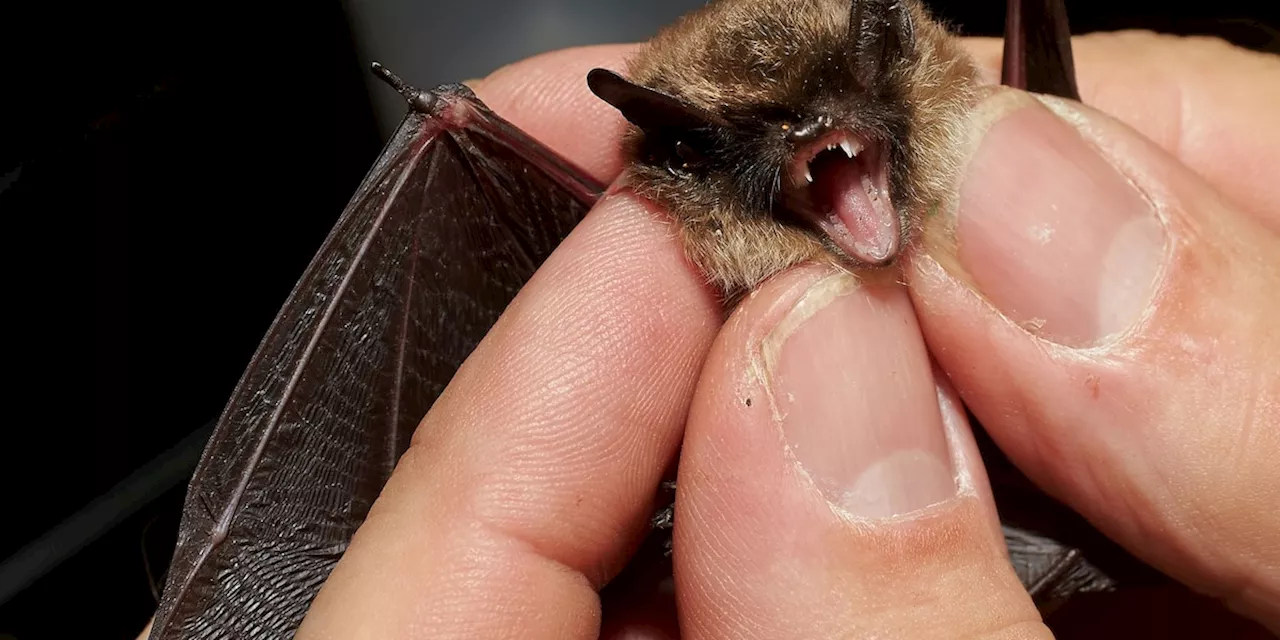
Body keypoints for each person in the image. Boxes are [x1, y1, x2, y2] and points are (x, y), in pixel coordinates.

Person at [192, 32, 1280, 639]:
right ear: (686, 157)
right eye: (763, 140)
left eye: (846, 113)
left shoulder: (963, 138)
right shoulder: (670, 260)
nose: (820, 142)